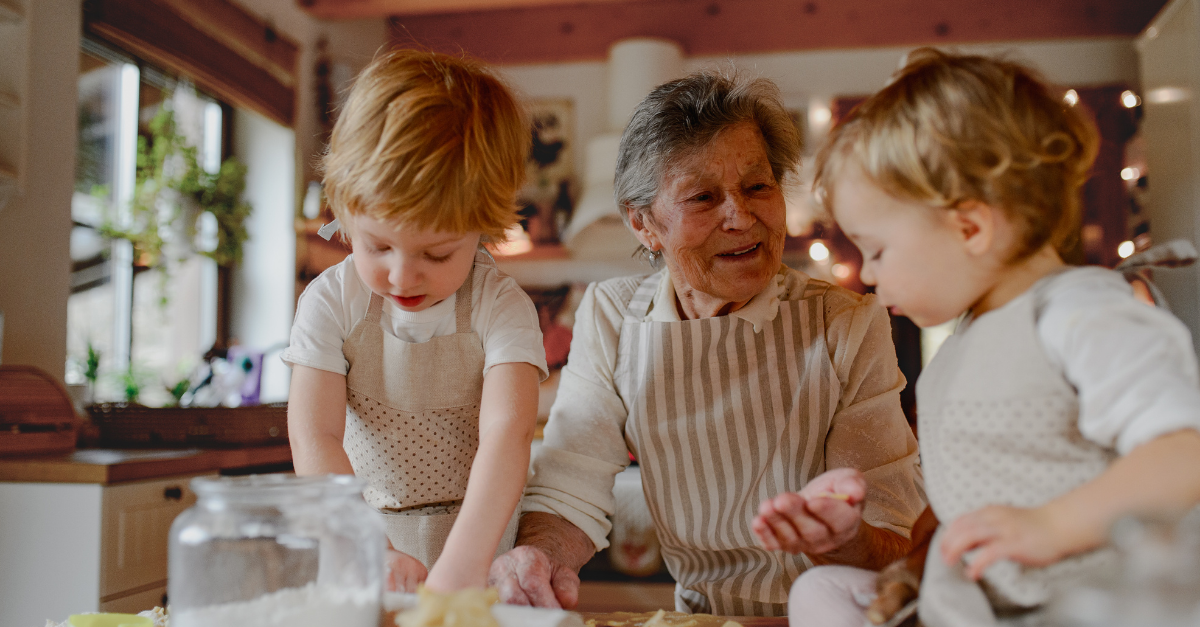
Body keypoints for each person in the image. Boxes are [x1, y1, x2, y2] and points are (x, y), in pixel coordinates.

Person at [488, 70, 926, 617]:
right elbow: (571, 478)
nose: (741, 217)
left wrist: (842, 537)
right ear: (644, 224)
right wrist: (539, 558)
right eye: (703, 197)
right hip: (701, 615)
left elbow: (894, 537)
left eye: (758, 186)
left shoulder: (844, 322)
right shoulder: (614, 314)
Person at [789, 48, 1200, 627]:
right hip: (982, 603)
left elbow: (1185, 454)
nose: (872, 273)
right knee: (823, 592)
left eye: (878, 250)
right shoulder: (966, 339)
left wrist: (1053, 526)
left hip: (1086, 601)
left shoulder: (1078, 311)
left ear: (970, 227)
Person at [282, 49, 548, 593]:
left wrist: (463, 566)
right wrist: (367, 546)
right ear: (347, 212)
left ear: (483, 228)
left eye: (436, 254)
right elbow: (316, 435)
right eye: (377, 245)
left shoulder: (502, 307)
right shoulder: (330, 302)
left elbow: (508, 433)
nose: (402, 276)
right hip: (358, 534)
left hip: (477, 541)